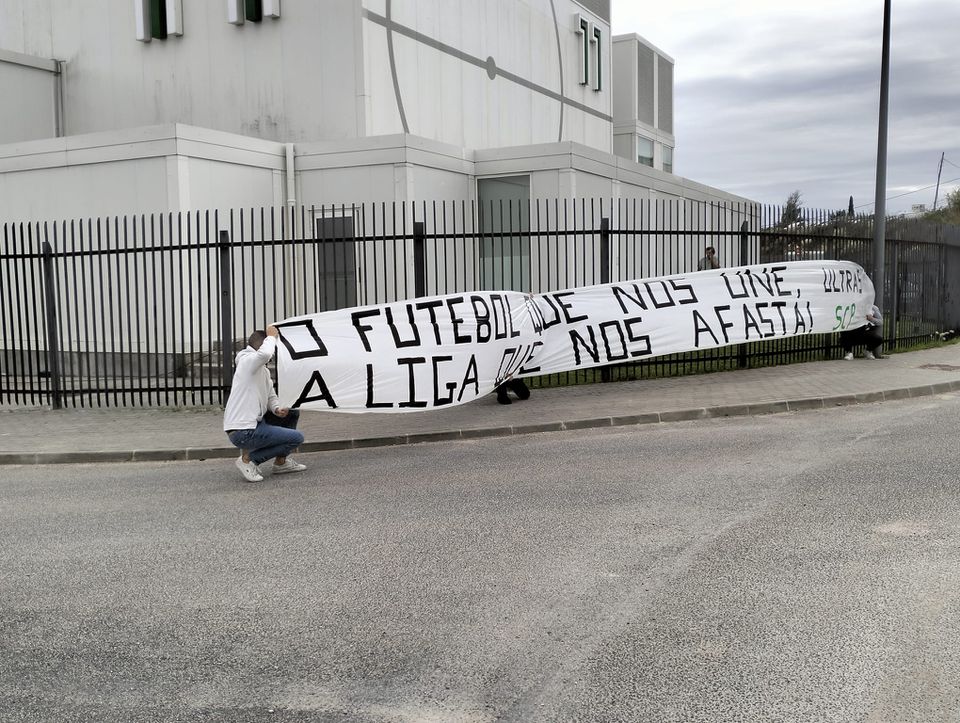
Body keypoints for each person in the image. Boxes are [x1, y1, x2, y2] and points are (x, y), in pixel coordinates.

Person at [223, 325, 306, 482]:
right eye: (274, 346)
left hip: (255, 424)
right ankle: (248, 460)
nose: (274, 352)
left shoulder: (263, 371)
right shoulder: (246, 362)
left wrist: (276, 408)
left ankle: (281, 463)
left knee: (293, 411)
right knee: (297, 438)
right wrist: (272, 336)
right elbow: (265, 353)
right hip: (242, 431)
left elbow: (271, 396)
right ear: (263, 345)